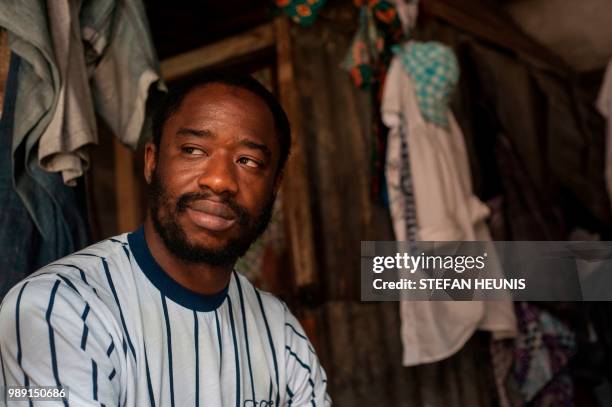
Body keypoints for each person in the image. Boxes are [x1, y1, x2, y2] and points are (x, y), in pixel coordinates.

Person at [0, 72, 330, 406]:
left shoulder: (280, 332)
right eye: (193, 150)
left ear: (274, 187)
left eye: (248, 160)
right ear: (152, 162)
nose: (219, 180)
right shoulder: (58, 308)